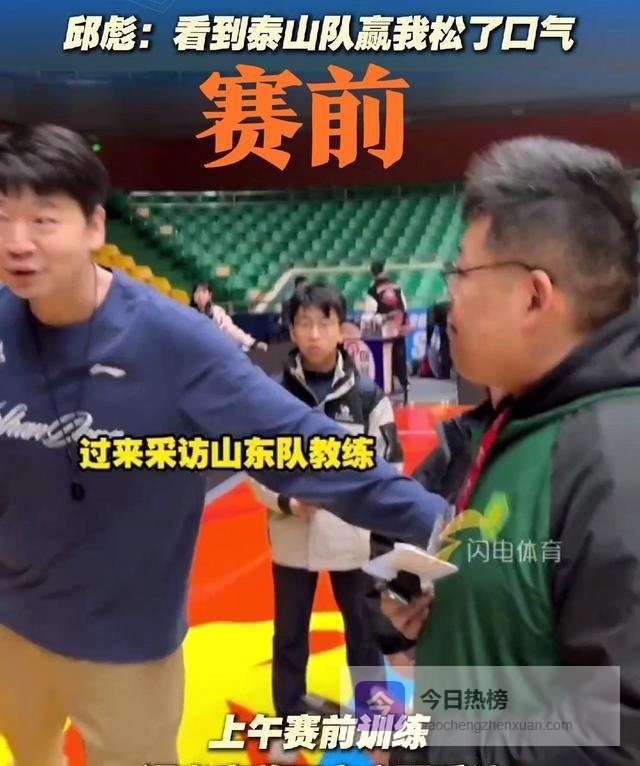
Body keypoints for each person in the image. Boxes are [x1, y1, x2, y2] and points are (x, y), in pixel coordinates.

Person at [0, 124, 448, 766]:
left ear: (95, 226)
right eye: (2, 218)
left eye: (43, 220)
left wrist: (449, 528)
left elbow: (307, 448)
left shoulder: (174, 343)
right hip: (12, 627)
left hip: (126, 648)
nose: (17, 241)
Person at [382, 136, 640, 765]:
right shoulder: (523, 421)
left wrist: (429, 752)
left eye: (463, 273)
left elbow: (615, 739)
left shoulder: (613, 461)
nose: (450, 297)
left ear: (534, 295)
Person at [250, 283, 411, 741]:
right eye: (304, 323)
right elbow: (255, 462)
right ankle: (289, 713)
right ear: (292, 330)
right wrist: (287, 502)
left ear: (343, 329)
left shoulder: (368, 396)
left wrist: (355, 502)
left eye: (325, 322)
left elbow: (391, 464)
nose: (315, 333)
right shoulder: (272, 396)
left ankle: (376, 717)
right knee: (289, 633)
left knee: (363, 630)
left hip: (352, 537)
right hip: (292, 536)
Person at [362, 261, 410, 404]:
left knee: (385, 360)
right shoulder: (397, 288)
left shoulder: (372, 291)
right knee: (399, 357)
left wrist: (383, 318)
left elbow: (369, 314)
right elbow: (404, 307)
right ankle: (404, 384)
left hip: (383, 333)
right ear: (384, 270)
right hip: (398, 328)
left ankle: (388, 387)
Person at [190, 280, 268, 352]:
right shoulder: (188, 314)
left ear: (210, 295)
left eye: (204, 292)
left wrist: (252, 343)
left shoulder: (217, 312)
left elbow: (230, 329)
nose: (200, 295)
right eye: (197, 292)